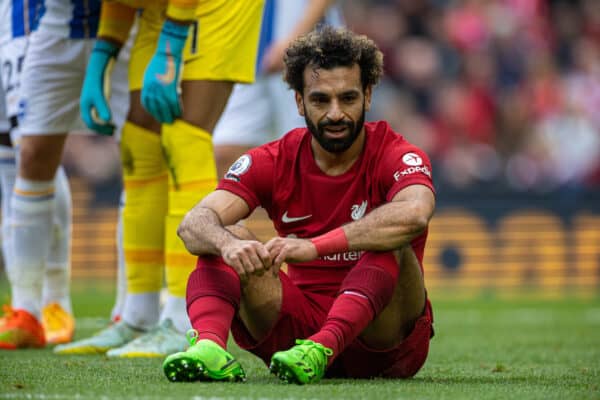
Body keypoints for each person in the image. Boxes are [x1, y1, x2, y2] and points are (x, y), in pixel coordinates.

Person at [162, 26, 436, 385]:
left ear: (368, 96)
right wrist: (229, 246)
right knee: (223, 235)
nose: (335, 113)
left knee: (391, 240)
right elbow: (194, 223)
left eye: (348, 98)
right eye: (321, 100)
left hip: (383, 340)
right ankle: (210, 348)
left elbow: (415, 214)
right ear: (299, 101)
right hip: (296, 340)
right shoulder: (274, 159)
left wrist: (314, 246)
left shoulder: (396, 153)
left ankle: (325, 346)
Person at [55, 0, 264, 357]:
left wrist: (170, 46)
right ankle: (137, 315)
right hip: (159, 9)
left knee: (185, 137)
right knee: (140, 144)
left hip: (217, 7)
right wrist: (104, 53)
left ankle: (185, 316)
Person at [0, 0, 130, 350]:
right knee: (21, 154)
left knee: (139, 156)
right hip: (24, 24)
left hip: (117, 22)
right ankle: (27, 308)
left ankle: (123, 308)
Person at [213, 0, 343, 178]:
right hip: (246, 42)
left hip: (309, 50)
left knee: (310, 156)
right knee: (227, 153)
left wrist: (296, 40)